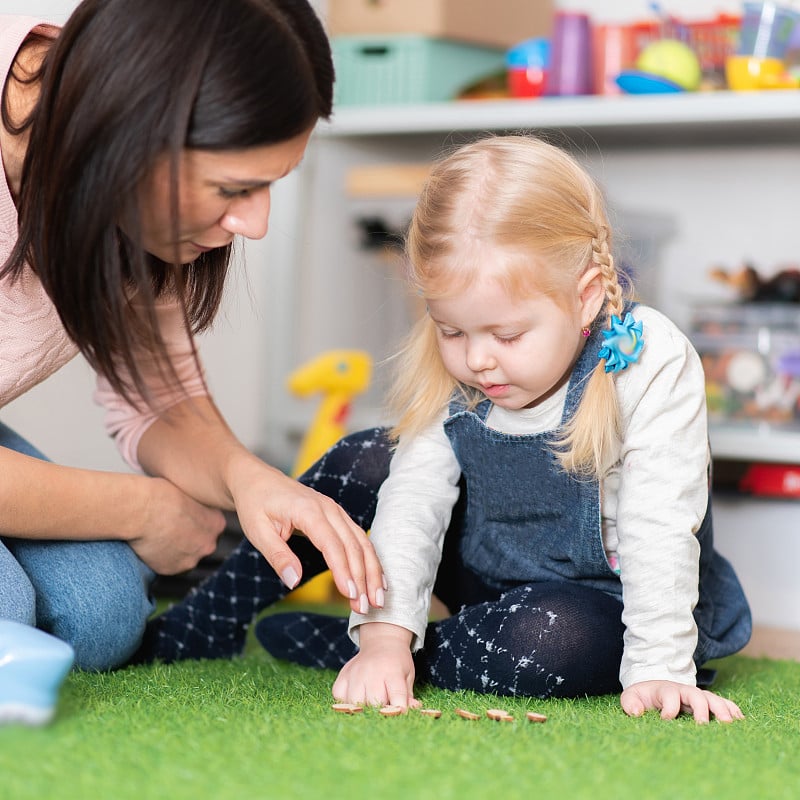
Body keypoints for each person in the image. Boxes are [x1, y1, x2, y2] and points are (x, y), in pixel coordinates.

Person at [252, 135, 753, 723]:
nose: (478, 360)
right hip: (487, 577)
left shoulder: (650, 359)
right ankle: (214, 619)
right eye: (452, 331)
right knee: (368, 459)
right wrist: (384, 638)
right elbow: (415, 503)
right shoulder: (462, 369)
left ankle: (396, 649)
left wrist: (661, 668)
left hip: (602, 607)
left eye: (507, 336)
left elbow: (659, 523)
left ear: (587, 296)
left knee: (553, 642)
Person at [0, 0, 384, 675]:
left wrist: (250, 480)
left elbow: (159, 398)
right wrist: (139, 508)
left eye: (270, 186)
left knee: (102, 616)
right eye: (233, 187)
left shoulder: (113, 195)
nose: (256, 224)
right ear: (126, 136)